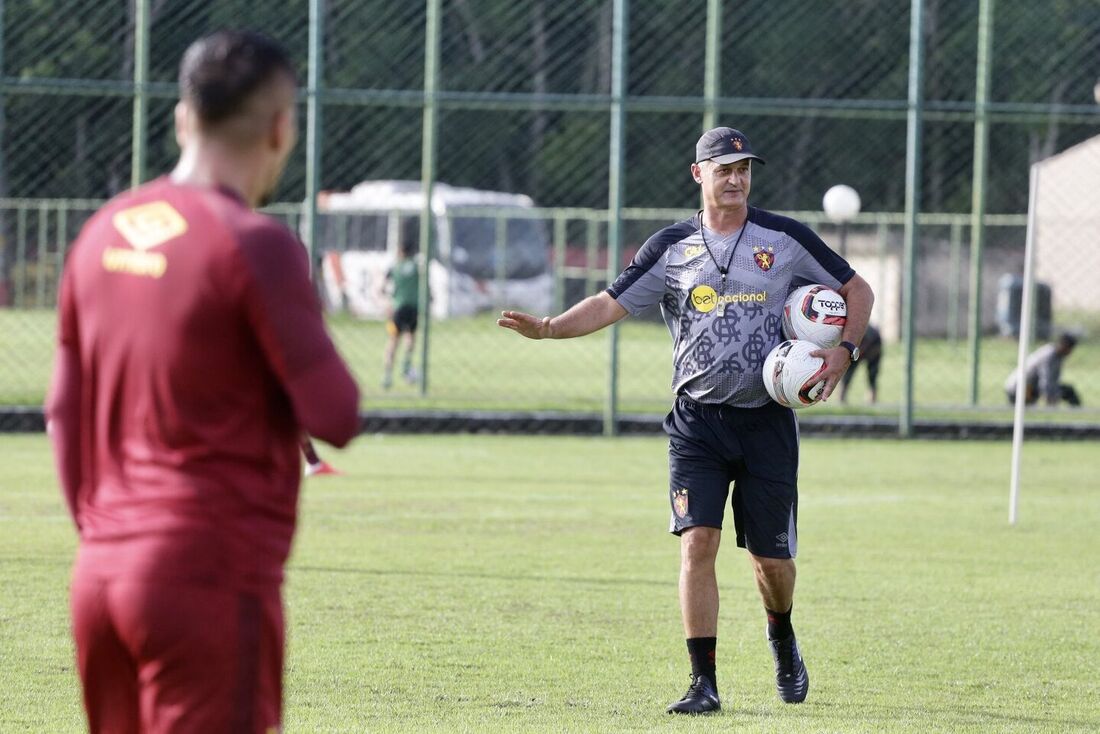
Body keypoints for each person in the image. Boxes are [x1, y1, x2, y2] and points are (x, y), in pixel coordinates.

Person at [45, 31, 360, 733]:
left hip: (100, 575)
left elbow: (62, 412)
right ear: (282, 128)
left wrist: (105, 534)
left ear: (182, 117)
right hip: (205, 574)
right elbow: (336, 412)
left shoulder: (101, 232)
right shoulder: (257, 244)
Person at [498, 126, 873, 714]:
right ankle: (704, 683)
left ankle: (782, 635)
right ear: (699, 174)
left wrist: (843, 352)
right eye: (723, 169)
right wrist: (548, 328)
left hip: (766, 421)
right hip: (696, 422)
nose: (736, 178)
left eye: (744, 168)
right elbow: (609, 302)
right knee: (697, 543)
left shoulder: (785, 239)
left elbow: (857, 290)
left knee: (771, 563)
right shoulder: (671, 248)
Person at [381, 240, 420, 389]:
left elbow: (382, 287)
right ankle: (406, 366)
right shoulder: (416, 267)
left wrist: (389, 299)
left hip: (398, 308)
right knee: (410, 337)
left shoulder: (394, 266)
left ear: (400, 251)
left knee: (393, 341)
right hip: (413, 308)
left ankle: (387, 375)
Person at [1005, 332, 1080, 407]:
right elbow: (1045, 380)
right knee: (1064, 391)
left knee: (1068, 391)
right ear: (1064, 345)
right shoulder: (1049, 355)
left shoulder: (1058, 356)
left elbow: (1053, 380)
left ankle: (1077, 412)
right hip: (1019, 389)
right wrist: (1050, 397)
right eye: (1070, 349)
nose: (1070, 352)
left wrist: (1054, 392)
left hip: (1032, 387)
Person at [839, 323, 883, 404]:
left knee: (872, 375)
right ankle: (842, 397)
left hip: (872, 348)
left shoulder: (869, 333)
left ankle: (872, 399)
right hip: (857, 349)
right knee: (848, 374)